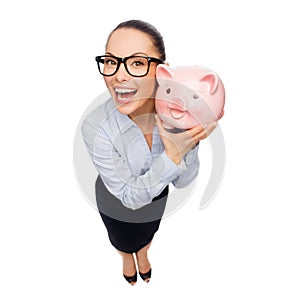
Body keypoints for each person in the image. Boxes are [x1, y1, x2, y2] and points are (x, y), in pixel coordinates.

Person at [81, 19, 217, 285]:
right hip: (114, 199)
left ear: (162, 72)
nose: (118, 75)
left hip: (157, 196)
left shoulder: (180, 112)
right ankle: (125, 257)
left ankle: (143, 253)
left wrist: (187, 140)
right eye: (111, 61)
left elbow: (183, 182)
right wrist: (173, 156)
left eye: (137, 63)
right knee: (121, 238)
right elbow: (129, 198)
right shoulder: (95, 126)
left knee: (148, 232)